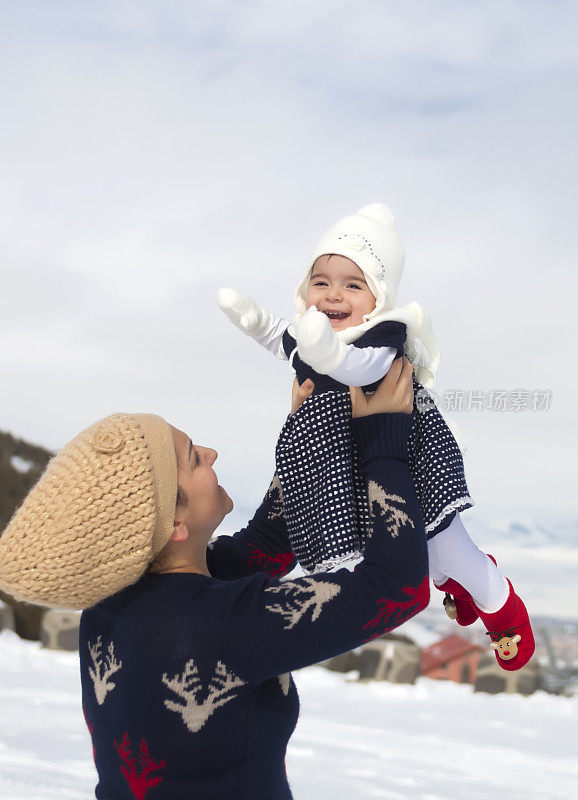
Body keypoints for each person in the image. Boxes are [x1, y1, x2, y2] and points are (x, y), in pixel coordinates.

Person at [0, 358, 430, 800]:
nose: (211, 454)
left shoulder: (112, 603)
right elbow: (397, 586)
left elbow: (269, 540)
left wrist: (310, 431)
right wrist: (384, 443)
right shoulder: (227, 622)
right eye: (193, 459)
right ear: (173, 524)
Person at [217, 202, 535, 671]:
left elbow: (360, 367)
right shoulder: (311, 339)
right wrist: (255, 321)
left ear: (379, 297)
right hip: (361, 465)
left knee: (445, 542)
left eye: (353, 284)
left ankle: (500, 602)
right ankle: (457, 584)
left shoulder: (379, 339)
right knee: (411, 548)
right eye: (320, 283)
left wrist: (326, 353)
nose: (332, 295)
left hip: (410, 461)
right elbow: (280, 339)